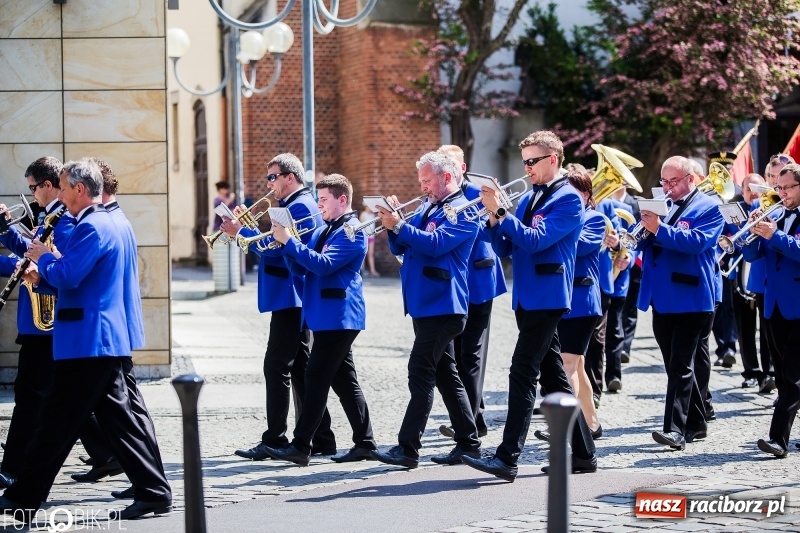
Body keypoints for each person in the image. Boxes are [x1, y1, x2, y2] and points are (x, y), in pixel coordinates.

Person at [1, 159, 171, 521]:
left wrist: (44, 259)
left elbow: (68, 275)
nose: (58, 195)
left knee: (54, 423)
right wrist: (44, 264)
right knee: (120, 420)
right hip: (97, 337)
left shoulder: (93, 225)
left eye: (62, 187)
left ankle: (22, 498)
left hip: (88, 337)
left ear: (80, 189)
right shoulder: (107, 220)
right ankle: (154, 491)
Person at [462, 130, 597, 482]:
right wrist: (493, 219)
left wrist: (503, 213)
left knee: (522, 371)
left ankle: (507, 457)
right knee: (555, 379)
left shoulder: (568, 199)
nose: (526, 168)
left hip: (549, 295)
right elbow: (506, 247)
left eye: (532, 161)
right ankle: (584, 454)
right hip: (527, 295)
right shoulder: (532, 197)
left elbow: (536, 241)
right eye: (524, 161)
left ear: (553, 159)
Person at [223, 153, 336, 460]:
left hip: (291, 295)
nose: (269, 184)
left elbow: (274, 247)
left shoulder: (298, 206)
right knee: (299, 369)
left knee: (276, 367)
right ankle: (322, 437)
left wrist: (240, 233)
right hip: (290, 294)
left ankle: (275, 437)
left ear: (290, 177)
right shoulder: (291, 205)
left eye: (273, 177)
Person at [372, 151, 481, 468]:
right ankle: (468, 443)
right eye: (420, 181)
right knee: (447, 376)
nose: (422, 187)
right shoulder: (425, 206)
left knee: (420, 372)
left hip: (445, 304)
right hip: (425, 304)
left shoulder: (465, 209)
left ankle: (408, 447)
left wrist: (400, 226)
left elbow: (436, 245)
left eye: (427, 180)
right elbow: (402, 245)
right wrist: (392, 224)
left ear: (447, 177)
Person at [262, 174, 377, 466]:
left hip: (340, 315)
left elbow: (324, 266)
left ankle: (301, 445)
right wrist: (284, 244)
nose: (319, 205)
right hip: (325, 315)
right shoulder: (326, 229)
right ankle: (365, 442)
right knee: (344, 381)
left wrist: (289, 242)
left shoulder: (353, 231)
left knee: (314, 376)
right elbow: (302, 266)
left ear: (342, 200)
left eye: (324, 200)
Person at [70, 159, 162, 501]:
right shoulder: (112, 220)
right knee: (126, 412)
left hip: (108, 331)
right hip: (114, 329)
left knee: (127, 413)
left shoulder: (103, 223)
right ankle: (148, 482)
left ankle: (150, 483)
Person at [638, 156, 723, 450]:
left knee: (681, 365)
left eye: (674, 181)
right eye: (664, 181)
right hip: (662, 297)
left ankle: (674, 430)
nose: (668, 187)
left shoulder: (709, 207)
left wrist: (659, 229)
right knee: (673, 365)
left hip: (693, 297)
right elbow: (648, 244)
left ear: (691, 178)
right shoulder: (662, 205)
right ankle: (697, 422)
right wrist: (643, 231)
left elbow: (697, 242)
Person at [0, 157, 75, 489]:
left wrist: (36, 271)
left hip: (50, 320)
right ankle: (107, 453)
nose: (31, 194)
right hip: (40, 322)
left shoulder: (64, 218)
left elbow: (60, 267)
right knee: (76, 398)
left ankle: (14, 467)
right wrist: (7, 228)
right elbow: (32, 251)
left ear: (48, 185)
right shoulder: (48, 215)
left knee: (31, 396)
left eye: (33, 187)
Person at [436, 144, 507, 440]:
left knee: (471, 355)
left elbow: (490, 227)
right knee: (451, 355)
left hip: (478, 279)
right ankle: (472, 419)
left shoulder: (480, 191)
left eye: (450, 165)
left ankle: (469, 421)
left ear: (462, 168)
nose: (445, 171)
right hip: (451, 282)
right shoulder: (438, 195)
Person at [533, 164, 604, 441]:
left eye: (573, 191)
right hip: (560, 299)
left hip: (582, 301)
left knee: (567, 365)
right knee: (578, 366)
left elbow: (582, 246)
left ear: (586, 194)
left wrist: (555, 229)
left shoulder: (594, 219)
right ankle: (592, 422)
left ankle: (564, 427)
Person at [745, 163, 800, 457]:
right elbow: (752, 255)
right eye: (778, 188)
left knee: (791, 377)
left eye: (788, 187)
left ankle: (778, 439)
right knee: (783, 375)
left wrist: (773, 236)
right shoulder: (776, 215)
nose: (782, 193)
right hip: (774, 304)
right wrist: (753, 233)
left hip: (798, 304)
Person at [730, 174, 772, 390]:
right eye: (749, 188)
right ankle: (750, 371)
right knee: (744, 327)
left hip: (762, 276)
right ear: (743, 190)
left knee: (767, 329)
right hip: (740, 275)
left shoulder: (770, 209)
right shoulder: (734, 211)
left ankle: (769, 372)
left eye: (759, 188)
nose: (754, 193)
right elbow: (725, 240)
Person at [358, 204, 380, 277]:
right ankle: (362, 270)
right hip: (365, 236)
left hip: (371, 236)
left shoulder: (372, 215)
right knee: (363, 253)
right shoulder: (363, 214)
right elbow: (360, 226)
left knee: (371, 254)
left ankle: (372, 270)